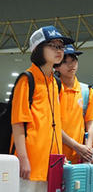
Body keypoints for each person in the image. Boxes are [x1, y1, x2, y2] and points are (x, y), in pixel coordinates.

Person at [11, 26, 73, 192]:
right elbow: (18, 123)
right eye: (53, 46)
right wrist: (23, 159)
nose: (59, 50)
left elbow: (55, 124)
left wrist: (60, 156)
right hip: (29, 163)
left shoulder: (56, 83)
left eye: (61, 46)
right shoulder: (27, 80)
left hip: (52, 164)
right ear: (38, 49)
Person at [54, 44, 93, 164]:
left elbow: (90, 123)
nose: (71, 65)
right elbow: (52, 124)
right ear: (56, 67)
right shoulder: (52, 90)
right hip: (55, 155)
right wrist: (76, 146)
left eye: (74, 60)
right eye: (65, 61)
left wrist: (88, 150)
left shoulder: (86, 91)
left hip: (79, 157)